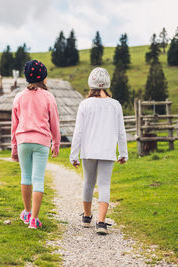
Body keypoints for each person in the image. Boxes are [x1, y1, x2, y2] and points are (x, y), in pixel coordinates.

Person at [69, 67, 128, 235]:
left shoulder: (85, 105)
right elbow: (120, 131)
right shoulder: (115, 105)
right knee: (104, 184)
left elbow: (78, 132)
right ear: (107, 84)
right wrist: (123, 153)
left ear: (90, 83)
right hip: (107, 151)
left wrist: (74, 155)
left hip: (88, 151)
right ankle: (101, 222)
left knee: (88, 182)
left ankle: (87, 217)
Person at [11, 60, 61, 229]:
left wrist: (14, 148)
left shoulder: (19, 97)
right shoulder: (48, 97)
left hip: (23, 140)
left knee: (25, 176)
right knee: (38, 178)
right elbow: (54, 123)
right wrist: (56, 144)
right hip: (42, 142)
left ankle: (26, 212)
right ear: (43, 78)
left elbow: (14, 125)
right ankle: (34, 218)